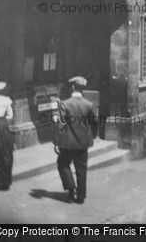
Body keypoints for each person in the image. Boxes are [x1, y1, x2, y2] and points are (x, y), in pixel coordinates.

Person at [53, 76, 98, 204]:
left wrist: (56, 142)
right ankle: (81, 196)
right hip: (83, 144)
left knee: (62, 164)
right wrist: (90, 135)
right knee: (81, 169)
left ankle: (71, 188)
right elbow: (95, 122)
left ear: (72, 87)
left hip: (67, 143)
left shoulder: (65, 104)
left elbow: (60, 124)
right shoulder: (89, 105)